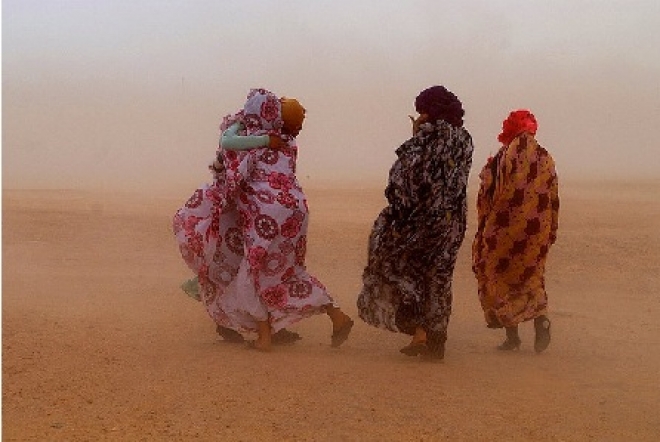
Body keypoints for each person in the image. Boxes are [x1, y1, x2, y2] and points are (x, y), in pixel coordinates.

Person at [173, 88, 353, 352]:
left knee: (253, 273)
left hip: (267, 217)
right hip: (295, 213)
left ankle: (265, 338)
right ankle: (336, 315)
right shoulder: (287, 143)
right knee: (289, 271)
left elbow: (228, 147)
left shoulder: (251, 148)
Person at [357, 85, 474, 361]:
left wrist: (415, 135)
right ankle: (436, 342)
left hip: (420, 219)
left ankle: (418, 329)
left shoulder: (428, 136)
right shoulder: (465, 139)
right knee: (439, 278)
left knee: (398, 268)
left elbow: (407, 175)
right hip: (452, 221)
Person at [471, 109, 559, 353]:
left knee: (500, 277)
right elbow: (553, 197)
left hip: (504, 230)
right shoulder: (545, 157)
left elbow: (489, 190)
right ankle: (541, 319)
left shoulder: (505, 155)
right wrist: (550, 230)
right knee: (531, 277)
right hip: (536, 232)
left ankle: (513, 337)